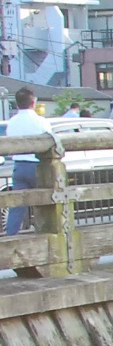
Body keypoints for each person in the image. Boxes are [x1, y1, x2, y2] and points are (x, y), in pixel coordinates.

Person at [4, 88, 50, 235]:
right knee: (45, 202)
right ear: (33, 102)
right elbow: (51, 141)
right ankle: (46, 233)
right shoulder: (40, 121)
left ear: (17, 104)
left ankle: (11, 237)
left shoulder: (12, 123)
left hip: (19, 166)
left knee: (17, 205)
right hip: (38, 166)